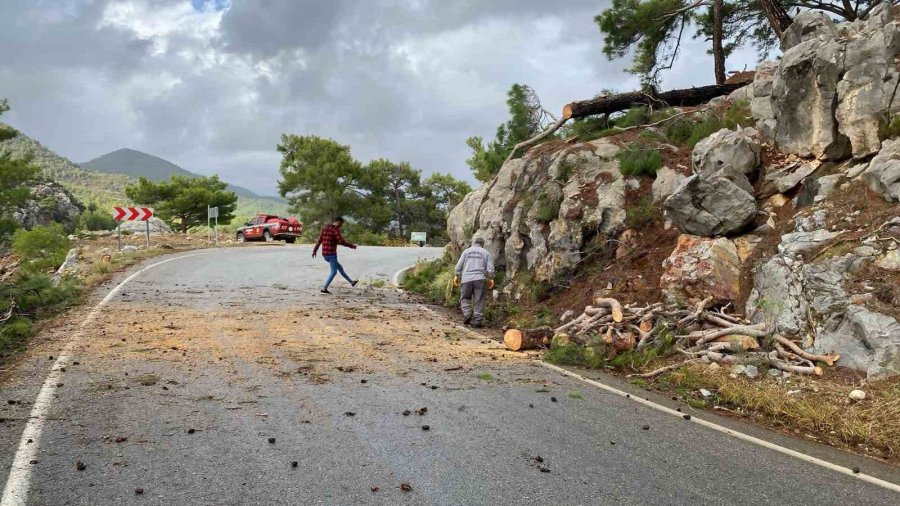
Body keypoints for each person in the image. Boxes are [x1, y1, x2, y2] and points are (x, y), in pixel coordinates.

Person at [452, 236, 495, 328]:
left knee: (465, 298)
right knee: (479, 300)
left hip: (466, 279)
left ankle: (467, 314)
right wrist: (491, 278)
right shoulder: (486, 252)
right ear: (482, 244)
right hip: (480, 279)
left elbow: (459, 265)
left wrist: (456, 275)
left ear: (473, 243)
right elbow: (490, 268)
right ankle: (477, 321)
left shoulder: (466, 251)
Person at [312, 216, 358, 294]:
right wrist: (352, 246)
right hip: (331, 254)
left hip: (325, 254)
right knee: (334, 272)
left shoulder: (325, 228)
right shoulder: (335, 230)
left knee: (340, 268)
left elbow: (319, 241)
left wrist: (314, 251)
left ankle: (352, 282)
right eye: (341, 224)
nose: (341, 226)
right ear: (338, 222)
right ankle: (324, 288)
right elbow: (341, 241)